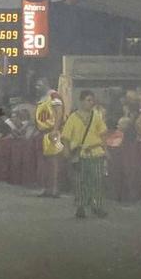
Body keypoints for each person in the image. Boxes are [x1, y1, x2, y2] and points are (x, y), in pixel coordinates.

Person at [62, 87, 109, 219]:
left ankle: (97, 206)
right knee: (81, 182)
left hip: (96, 153)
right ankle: (81, 206)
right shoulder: (73, 117)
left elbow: (103, 133)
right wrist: (66, 150)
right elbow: (65, 136)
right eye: (88, 100)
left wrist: (106, 150)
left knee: (97, 181)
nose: (91, 103)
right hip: (80, 154)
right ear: (81, 101)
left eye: (92, 100)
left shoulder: (96, 116)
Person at [34, 87, 66, 198]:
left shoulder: (54, 95)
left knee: (54, 161)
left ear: (45, 82)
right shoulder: (41, 98)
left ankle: (55, 189)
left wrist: (56, 130)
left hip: (52, 133)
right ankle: (46, 188)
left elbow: (59, 112)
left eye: (39, 84)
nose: (37, 86)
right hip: (42, 133)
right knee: (44, 163)